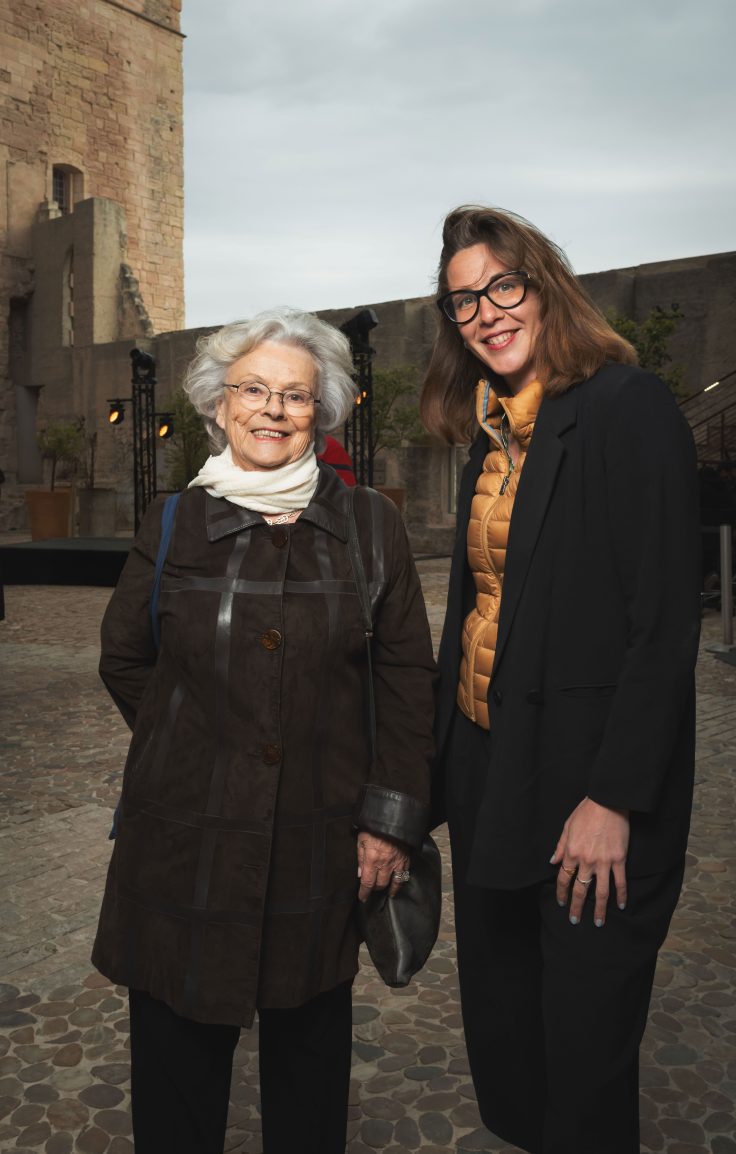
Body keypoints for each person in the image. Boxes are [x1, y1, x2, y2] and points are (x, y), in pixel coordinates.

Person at [92, 308, 436, 1154]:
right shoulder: (175, 521)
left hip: (319, 839)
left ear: (321, 414)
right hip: (183, 839)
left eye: (295, 395)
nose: (273, 410)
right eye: (254, 389)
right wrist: (207, 744)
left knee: (310, 1071)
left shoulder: (370, 528)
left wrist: (388, 823)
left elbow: (404, 683)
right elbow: (125, 659)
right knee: (177, 1073)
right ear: (219, 404)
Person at [421, 206, 700, 1154]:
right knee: (509, 1042)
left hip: (585, 791)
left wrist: (614, 798)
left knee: (582, 1060)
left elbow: (662, 626)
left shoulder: (627, 407)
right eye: (464, 300)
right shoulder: (489, 435)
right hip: (492, 773)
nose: (486, 313)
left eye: (504, 285)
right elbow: (473, 611)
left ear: (544, 285)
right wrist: (424, 791)